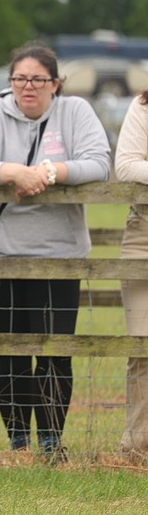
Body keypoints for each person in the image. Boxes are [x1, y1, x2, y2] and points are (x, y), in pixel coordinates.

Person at [0, 43, 110, 463]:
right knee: (11, 350)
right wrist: (13, 172)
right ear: (10, 83)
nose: (28, 87)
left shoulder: (76, 113)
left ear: (55, 84)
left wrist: (51, 172)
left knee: (56, 351)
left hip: (62, 254)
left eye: (38, 80)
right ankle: (19, 442)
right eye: (20, 79)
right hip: (2, 254)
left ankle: (51, 442)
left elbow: (99, 163)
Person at [114, 88, 148, 458]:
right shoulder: (143, 105)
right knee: (143, 344)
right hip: (144, 234)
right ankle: (137, 447)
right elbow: (126, 165)